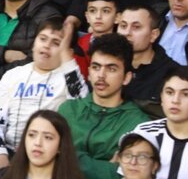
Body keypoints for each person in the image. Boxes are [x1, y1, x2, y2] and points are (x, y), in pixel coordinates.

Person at [0, 18, 89, 171]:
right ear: (33, 43)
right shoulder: (12, 75)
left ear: (67, 51)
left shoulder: (68, 78)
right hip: (8, 155)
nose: (47, 45)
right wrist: (1, 160)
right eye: (42, 39)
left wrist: (67, 58)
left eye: (56, 43)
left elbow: (82, 104)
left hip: (50, 158)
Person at [58, 33, 149, 179]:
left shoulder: (137, 124)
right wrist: (107, 169)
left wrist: (69, 156)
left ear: (126, 78)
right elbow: (52, 157)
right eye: (96, 67)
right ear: (88, 72)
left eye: (111, 69)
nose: (101, 75)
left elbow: (126, 174)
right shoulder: (68, 110)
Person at [132, 66, 188, 179]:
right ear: (161, 97)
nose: (175, 100)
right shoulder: (143, 133)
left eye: (186, 94)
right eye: (169, 92)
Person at [117, 5, 179, 118]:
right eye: (123, 26)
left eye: (136, 27)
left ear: (153, 35)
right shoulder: (109, 65)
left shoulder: (172, 74)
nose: (127, 33)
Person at [0, 110, 85, 179]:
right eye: (32, 135)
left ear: (60, 146)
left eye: (48, 137)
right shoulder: (3, 176)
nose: (38, 143)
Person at [78, 0, 119, 70]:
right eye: (92, 11)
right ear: (87, 16)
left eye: (105, 11)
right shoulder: (78, 45)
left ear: (117, 17)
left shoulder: (123, 47)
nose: (98, 16)